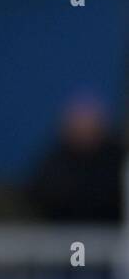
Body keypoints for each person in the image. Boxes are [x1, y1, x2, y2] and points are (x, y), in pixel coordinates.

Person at [27, 93, 124, 222]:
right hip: (62, 233)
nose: (84, 129)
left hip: (112, 232)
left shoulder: (115, 159)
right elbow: (39, 194)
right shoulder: (55, 161)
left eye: (90, 122)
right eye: (79, 122)